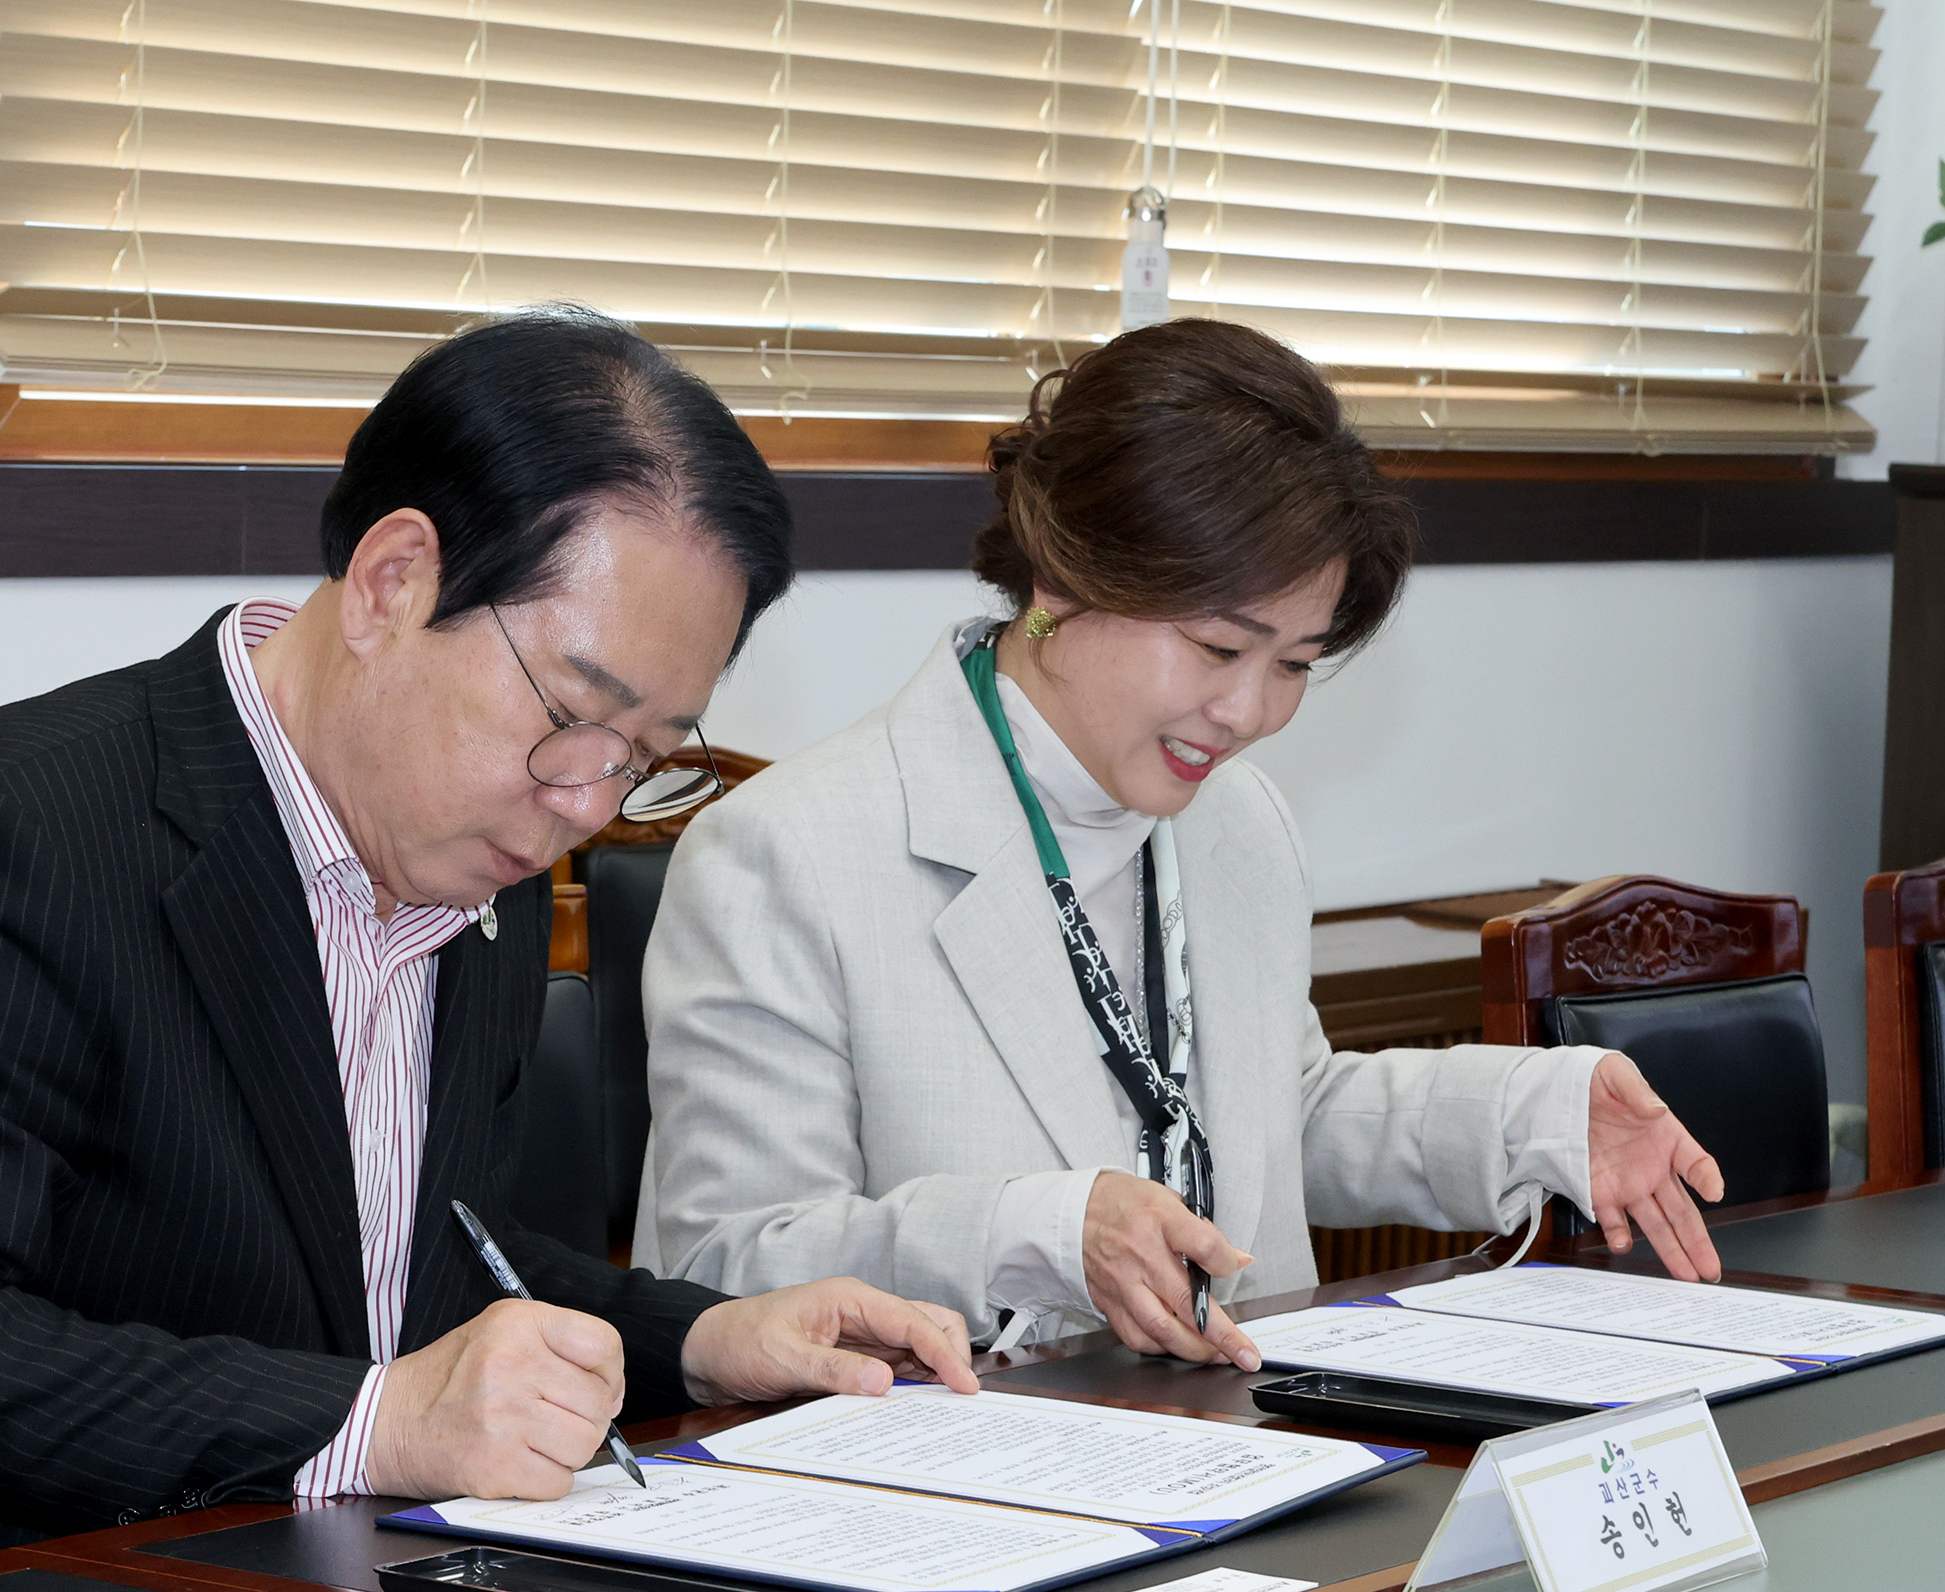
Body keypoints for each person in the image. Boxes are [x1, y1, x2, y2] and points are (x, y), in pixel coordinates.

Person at [0, 311, 974, 1592]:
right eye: (572, 718)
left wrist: (709, 1338)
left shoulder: (467, 855)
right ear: (391, 582)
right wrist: (381, 1422)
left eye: (644, 758)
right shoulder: (21, 831)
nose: (589, 806)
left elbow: (417, 1260)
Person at [641, 319, 1725, 1364]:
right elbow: (729, 1264)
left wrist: (1527, 1111)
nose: (1249, 712)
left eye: (1294, 664)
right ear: (1066, 577)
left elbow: (1266, 1124)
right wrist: (1034, 1235)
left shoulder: (1237, 820)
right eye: (1218, 646)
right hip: (968, 1477)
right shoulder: (787, 853)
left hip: (1249, 1443)